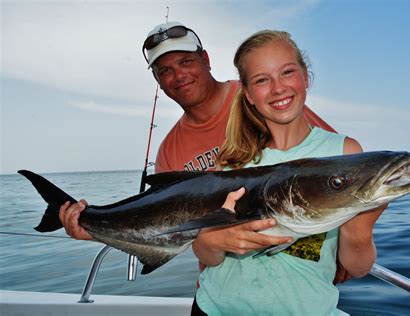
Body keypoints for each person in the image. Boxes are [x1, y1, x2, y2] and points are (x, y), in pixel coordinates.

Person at [58, 22, 339, 255]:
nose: (179, 75)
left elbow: (330, 172)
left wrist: (338, 251)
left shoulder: (263, 96)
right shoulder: (169, 150)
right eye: (165, 70)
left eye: (185, 61)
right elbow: (164, 231)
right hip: (219, 284)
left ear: (205, 60)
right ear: (157, 80)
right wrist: (94, 230)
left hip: (298, 267)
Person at [191, 30, 386, 315]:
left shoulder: (343, 152)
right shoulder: (230, 163)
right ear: (248, 94)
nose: (278, 88)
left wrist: (361, 228)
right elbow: (208, 256)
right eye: (262, 80)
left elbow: (357, 267)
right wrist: (210, 241)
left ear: (305, 77)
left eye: (287, 72)